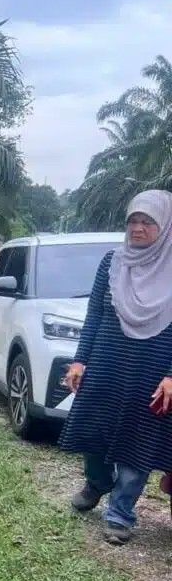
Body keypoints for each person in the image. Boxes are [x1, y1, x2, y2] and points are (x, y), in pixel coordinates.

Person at [61, 190, 172, 545]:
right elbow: (94, 314)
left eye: (148, 222)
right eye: (133, 221)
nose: (138, 229)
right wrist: (80, 359)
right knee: (94, 429)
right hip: (107, 361)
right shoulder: (112, 262)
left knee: (138, 441)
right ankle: (97, 483)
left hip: (153, 368)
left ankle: (120, 513)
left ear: (165, 226)